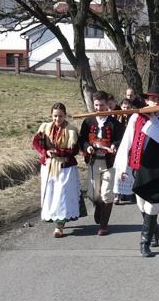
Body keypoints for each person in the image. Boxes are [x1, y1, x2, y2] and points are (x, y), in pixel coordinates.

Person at [114, 85, 159, 257]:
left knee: (152, 204)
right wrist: (123, 167)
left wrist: (153, 119)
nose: (155, 102)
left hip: (156, 171)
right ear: (146, 101)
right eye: (152, 99)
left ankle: (144, 242)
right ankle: (155, 230)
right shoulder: (136, 118)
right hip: (139, 168)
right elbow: (127, 142)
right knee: (141, 205)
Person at [33, 102, 83, 238]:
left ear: (65, 116)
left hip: (65, 167)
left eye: (60, 116)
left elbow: (73, 150)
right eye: (55, 116)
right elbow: (36, 142)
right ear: (51, 115)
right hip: (49, 165)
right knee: (51, 192)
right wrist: (45, 151)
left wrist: (58, 152)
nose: (57, 119)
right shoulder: (45, 127)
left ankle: (60, 225)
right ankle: (54, 216)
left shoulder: (71, 130)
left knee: (63, 194)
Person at [79, 91, 124, 236]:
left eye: (102, 105)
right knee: (92, 194)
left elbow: (120, 139)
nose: (99, 108)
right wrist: (87, 147)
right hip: (93, 162)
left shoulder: (114, 123)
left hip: (108, 163)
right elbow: (82, 139)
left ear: (108, 105)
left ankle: (104, 223)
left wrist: (114, 145)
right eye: (96, 105)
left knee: (107, 194)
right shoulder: (88, 122)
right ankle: (98, 206)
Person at [113, 98, 134, 204]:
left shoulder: (133, 118)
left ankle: (129, 193)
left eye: (128, 107)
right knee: (119, 169)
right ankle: (116, 195)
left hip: (130, 145)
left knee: (129, 169)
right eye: (124, 107)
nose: (126, 109)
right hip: (119, 145)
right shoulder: (117, 117)